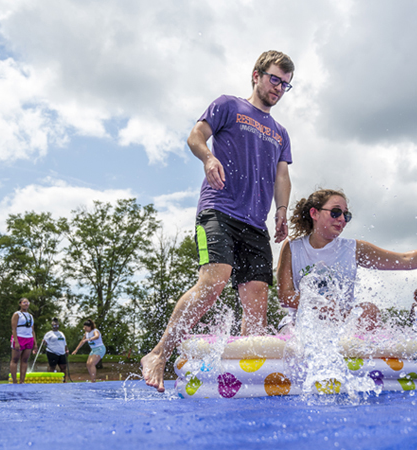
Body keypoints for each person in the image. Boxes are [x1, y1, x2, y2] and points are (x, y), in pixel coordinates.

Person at [141, 50, 295, 392]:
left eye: (286, 84)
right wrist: (209, 159)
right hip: (218, 210)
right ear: (256, 75)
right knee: (215, 281)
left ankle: (245, 376)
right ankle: (158, 354)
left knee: (257, 298)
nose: (279, 88)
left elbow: (281, 174)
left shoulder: (280, 132)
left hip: (256, 223)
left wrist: (281, 210)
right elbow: (195, 136)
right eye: (274, 79)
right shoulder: (228, 105)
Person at [276, 189, 417, 333]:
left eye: (346, 216)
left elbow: (406, 260)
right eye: (335, 212)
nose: (342, 220)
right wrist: (319, 304)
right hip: (302, 323)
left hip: (341, 324)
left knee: (368, 310)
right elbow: (285, 296)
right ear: (314, 213)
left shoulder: (353, 249)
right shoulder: (292, 248)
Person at [10, 298, 37, 384]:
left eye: (27, 302)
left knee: (25, 360)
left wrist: (35, 343)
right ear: (20, 304)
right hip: (19, 337)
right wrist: (16, 342)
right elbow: (13, 329)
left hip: (29, 338)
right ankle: (15, 381)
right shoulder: (17, 314)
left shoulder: (30, 316)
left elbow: (33, 330)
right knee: (15, 359)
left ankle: (22, 381)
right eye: (24, 302)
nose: (26, 304)